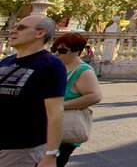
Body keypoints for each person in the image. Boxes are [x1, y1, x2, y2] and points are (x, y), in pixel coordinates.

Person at [0, 15, 66, 166]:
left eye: (21, 28)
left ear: (40, 33)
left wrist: (50, 155)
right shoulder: (6, 61)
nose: (13, 31)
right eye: (14, 27)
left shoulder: (51, 65)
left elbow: (55, 113)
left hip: (21, 150)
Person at [51, 33, 102, 166]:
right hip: (48, 125)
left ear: (77, 52)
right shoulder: (58, 66)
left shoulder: (83, 71)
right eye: (54, 49)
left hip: (64, 128)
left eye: (62, 50)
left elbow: (95, 96)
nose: (56, 53)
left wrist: (62, 106)